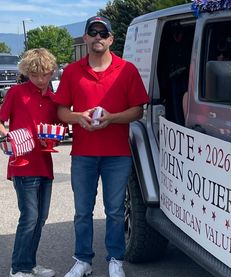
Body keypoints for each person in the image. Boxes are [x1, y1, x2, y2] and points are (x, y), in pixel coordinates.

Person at [53, 16, 149, 277]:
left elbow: (138, 110)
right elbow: (61, 110)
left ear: (110, 39)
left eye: (102, 32)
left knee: (115, 212)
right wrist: (79, 117)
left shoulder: (127, 69)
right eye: (92, 32)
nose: (97, 36)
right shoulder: (72, 72)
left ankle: (115, 260)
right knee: (82, 212)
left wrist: (112, 118)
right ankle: (83, 260)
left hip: (117, 154)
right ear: (85, 37)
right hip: (83, 154)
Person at [0, 48, 58, 277]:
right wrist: (6, 137)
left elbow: (57, 126)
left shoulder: (53, 98)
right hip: (23, 164)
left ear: (52, 72)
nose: (41, 79)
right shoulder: (16, 93)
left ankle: (30, 263)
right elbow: (0, 120)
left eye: (45, 74)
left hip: (45, 163)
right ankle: (19, 267)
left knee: (40, 218)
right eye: (35, 75)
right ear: (27, 73)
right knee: (29, 217)